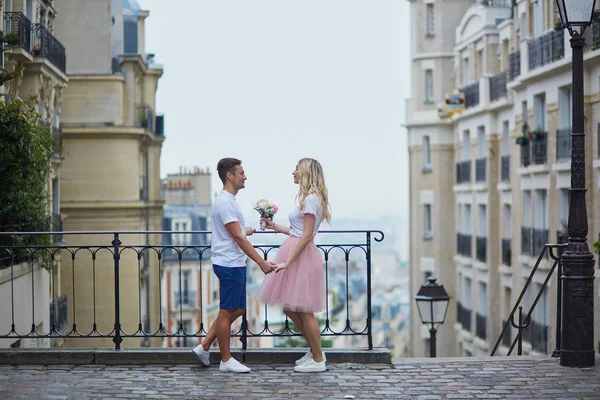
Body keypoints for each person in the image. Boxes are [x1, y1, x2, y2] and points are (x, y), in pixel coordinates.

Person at [193, 157, 276, 373]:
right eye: (241, 173)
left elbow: (235, 233)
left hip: (234, 262)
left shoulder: (228, 202)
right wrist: (261, 261)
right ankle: (226, 360)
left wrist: (243, 230)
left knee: (237, 309)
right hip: (229, 264)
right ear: (230, 176)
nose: (245, 176)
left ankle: (204, 347)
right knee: (226, 310)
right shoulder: (225, 203)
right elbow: (238, 239)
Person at [258, 158, 331, 373]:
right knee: (291, 307)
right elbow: (297, 231)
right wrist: (274, 226)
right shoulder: (310, 199)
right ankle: (315, 350)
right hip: (296, 251)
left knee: (305, 310)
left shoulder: (310, 200)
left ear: (306, 172)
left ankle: (318, 359)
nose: (293, 172)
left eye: (296, 169)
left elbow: (307, 235)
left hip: (300, 256)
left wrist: (288, 262)